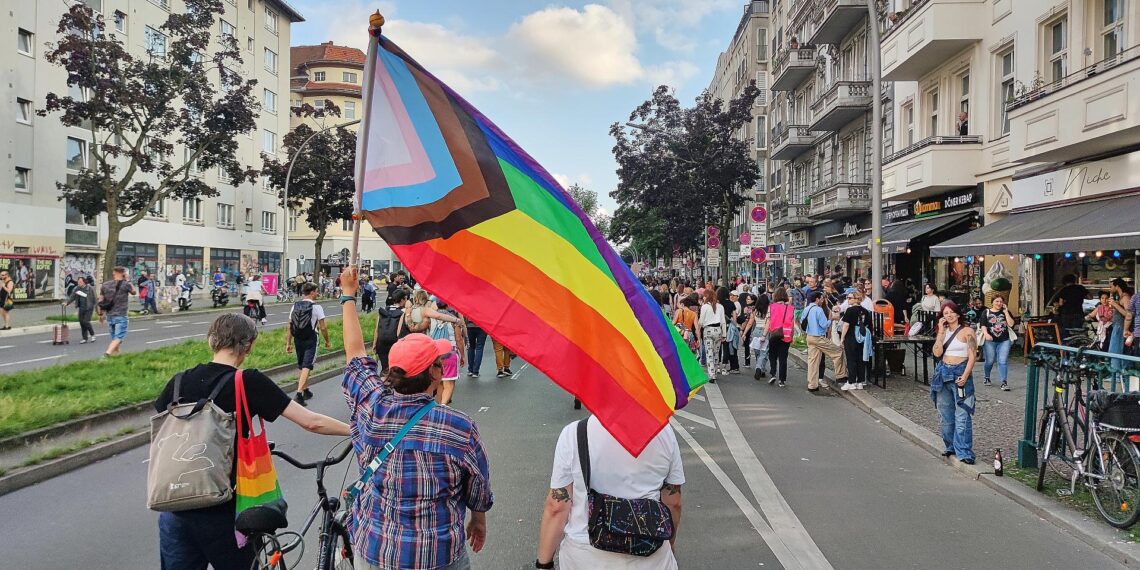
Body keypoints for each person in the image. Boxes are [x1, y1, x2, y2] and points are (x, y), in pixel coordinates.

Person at [155, 313, 350, 569]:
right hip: (226, 510)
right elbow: (311, 421)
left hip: (175, 506)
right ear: (248, 345)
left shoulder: (178, 382)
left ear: (211, 341)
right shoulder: (246, 382)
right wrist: (356, 430)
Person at [338, 268, 493, 570]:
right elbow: (478, 488)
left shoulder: (371, 406)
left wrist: (348, 295)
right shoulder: (458, 427)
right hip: (437, 555)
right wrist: (478, 519)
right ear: (435, 373)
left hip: (375, 551)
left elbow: (355, 353)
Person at [536, 412, 684, 570]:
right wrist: (670, 542)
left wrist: (544, 564)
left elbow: (557, 507)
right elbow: (673, 502)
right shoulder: (664, 433)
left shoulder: (575, 433)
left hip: (585, 558)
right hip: (652, 556)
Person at [931, 301, 977, 463]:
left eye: (951, 312)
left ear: (958, 314)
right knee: (945, 414)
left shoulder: (967, 331)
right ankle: (950, 445)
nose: (949, 315)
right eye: (945, 313)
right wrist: (941, 333)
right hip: (943, 373)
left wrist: (965, 375)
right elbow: (937, 353)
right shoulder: (943, 331)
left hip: (960, 371)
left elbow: (973, 355)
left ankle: (964, 450)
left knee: (963, 413)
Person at [285, 283, 330, 406]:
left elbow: (290, 326)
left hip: (297, 338)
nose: (317, 293)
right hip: (311, 338)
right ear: (311, 292)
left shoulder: (295, 306)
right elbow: (323, 327)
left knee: (301, 365)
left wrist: (288, 343)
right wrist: (327, 340)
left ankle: (305, 390)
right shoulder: (317, 307)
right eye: (316, 291)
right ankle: (299, 394)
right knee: (307, 365)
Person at [803, 291, 848, 393]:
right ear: (817, 299)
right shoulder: (818, 310)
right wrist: (830, 319)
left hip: (809, 336)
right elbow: (824, 325)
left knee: (813, 361)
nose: (823, 300)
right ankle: (841, 375)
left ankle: (812, 385)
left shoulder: (807, 309)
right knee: (837, 351)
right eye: (822, 298)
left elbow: (802, 321)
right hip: (818, 337)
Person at [430, 298, 467, 406]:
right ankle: (444, 405)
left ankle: (438, 405)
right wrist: (462, 355)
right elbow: (459, 340)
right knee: (449, 382)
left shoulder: (432, 320)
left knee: (440, 382)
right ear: (447, 306)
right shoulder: (454, 321)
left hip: (435, 354)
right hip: (450, 353)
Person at [98, 267, 136, 357]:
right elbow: (134, 292)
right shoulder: (126, 284)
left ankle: (117, 355)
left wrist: (100, 314)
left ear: (114, 273)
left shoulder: (105, 285)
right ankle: (107, 354)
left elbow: (100, 301)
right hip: (121, 315)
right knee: (118, 337)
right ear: (123, 273)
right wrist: (128, 280)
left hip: (110, 315)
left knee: (114, 338)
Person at [979, 295, 1015, 390]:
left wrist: (1006, 312)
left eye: (1001, 301)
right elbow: (982, 325)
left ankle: (1004, 382)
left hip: (1004, 340)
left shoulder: (1006, 312)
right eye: (997, 301)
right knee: (990, 361)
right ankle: (987, 377)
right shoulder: (986, 312)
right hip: (990, 340)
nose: (999, 303)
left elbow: (1011, 324)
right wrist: (986, 334)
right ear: (992, 302)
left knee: (1002, 361)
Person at [839, 290, 873, 390]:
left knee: (851, 359)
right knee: (860, 359)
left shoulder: (850, 310)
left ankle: (851, 381)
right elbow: (869, 325)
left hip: (851, 335)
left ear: (856, 299)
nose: (848, 300)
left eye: (850, 298)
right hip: (862, 336)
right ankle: (860, 381)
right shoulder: (865, 311)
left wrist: (842, 338)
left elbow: (846, 325)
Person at [373, 287, 410, 371]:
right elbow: (400, 331)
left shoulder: (384, 311)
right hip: (395, 344)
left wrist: (374, 344)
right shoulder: (404, 312)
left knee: (384, 368)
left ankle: (382, 382)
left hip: (381, 343)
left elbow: (377, 329)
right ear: (402, 299)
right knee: (395, 370)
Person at [697, 288, 726, 383]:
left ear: (707, 297)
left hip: (708, 330)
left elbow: (701, 321)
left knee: (709, 352)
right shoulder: (721, 306)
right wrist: (724, 334)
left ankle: (711, 374)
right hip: (718, 330)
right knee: (716, 352)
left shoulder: (704, 307)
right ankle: (715, 371)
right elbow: (723, 322)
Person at [767, 287, 794, 387]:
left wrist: (764, 334)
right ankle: (782, 380)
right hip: (786, 335)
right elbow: (792, 323)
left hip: (774, 333)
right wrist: (792, 335)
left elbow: (768, 321)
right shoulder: (791, 308)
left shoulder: (771, 307)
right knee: (783, 358)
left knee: (772, 355)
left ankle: (773, 373)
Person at [1106, 279, 1133, 369]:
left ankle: (1116, 374)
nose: (1110, 289)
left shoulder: (1125, 297)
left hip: (1120, 327)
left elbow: (1128, 313)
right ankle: (1122, 372)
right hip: (1118, 325)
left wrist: (1115, 304)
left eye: (1111, 286)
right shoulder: (1121, 297)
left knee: (1115, 349)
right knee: (1120, 350)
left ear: (1117, 286)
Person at [64, 275, 97, 343]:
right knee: (82, 323)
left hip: (89, 307)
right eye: (78, 282)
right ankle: (85, 338)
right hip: (81, 307)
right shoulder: (77, 288)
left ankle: (92, 335)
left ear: (84, 282)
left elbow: (94, 298)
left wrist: (97, 307)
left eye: (80, 282)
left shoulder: (89, 288)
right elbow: (72, 297)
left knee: (86, 321)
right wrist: (67, 303)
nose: (79, 283)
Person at [465, 313, 488, 378]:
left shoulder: (470, 302)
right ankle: (475, 371)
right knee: (479, 348)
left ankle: (470, 370)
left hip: (469, 325)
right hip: (482, 325)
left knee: (471, 347)